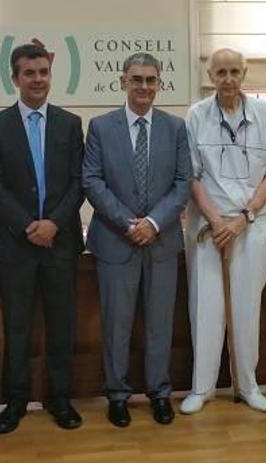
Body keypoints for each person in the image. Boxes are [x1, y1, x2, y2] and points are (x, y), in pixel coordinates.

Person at [0, 44, 85, 433]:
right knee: (18, 327)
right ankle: (16, 401)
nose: (38, 79)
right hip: (16, 245)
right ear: (15, 78)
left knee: (62, 326)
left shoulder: (69, 123)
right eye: (29, 73)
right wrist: (28, 225)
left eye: (43, 72)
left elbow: (79, 182)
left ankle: (60, 399)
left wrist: (53, 223)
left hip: (60, 242)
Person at [83, 52, 191, 427]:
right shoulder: (100, 126)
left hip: (161, 242)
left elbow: (182, 183)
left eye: (150, 80)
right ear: (123, 82)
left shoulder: (176, 128)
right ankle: (117, 394)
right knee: (117, 323)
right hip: (116, 241)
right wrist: (129, 223)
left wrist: (154, 223)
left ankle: (160, 393)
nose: (143, 86)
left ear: (160, 83)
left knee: (161, 323)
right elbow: (92, 180)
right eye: (136, 79)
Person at [181, 48, 266, 415]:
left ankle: (248, 384)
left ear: (245, 73)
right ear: (210, 75)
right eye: (220, 72)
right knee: (205, 306)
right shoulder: (196, 115)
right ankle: (202, 387)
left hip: (251, 224)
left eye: (234, 71)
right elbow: (191, 174)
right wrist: (217, 219)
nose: (228, 78)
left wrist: (245, 217)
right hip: (208, 224)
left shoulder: (263, 113)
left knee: (246, 305)